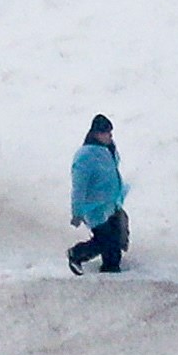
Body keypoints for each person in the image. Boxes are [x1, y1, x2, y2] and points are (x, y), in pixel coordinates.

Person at [65, 115, 129, 274]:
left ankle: (111, 268)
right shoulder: (85, 156)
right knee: (105, 241)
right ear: (96, 134)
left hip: (111, 205)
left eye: (110, 132)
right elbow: (79, 187)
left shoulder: (109, 149)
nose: (110, 135)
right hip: (94, 209)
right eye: (106, 132)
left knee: (114, 246)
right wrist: (77, 211)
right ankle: (77, 254)